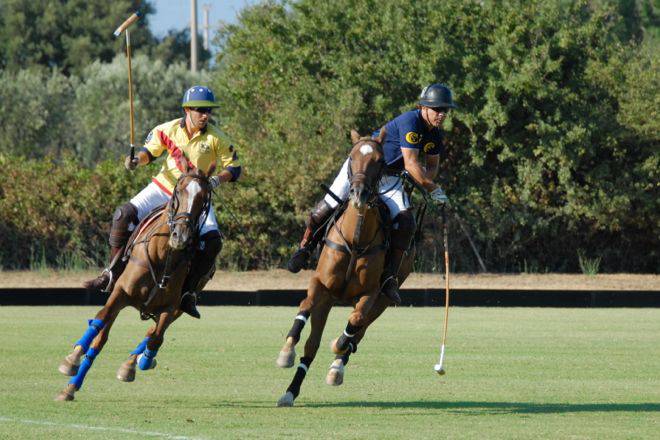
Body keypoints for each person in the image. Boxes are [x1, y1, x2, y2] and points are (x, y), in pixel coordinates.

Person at [286, 83, 456, 305]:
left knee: (406, 222)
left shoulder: (434, 134)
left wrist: (429, 184)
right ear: (423, 107)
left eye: (446, 110)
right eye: (437, 109)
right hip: (363, 168)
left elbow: (431, 166)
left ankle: (389, 278)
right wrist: (433, 188)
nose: (441, 114)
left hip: (391, 178)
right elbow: (412, 164)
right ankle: (305, 248)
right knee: (327, 205)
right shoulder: (411, 122)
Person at [84, 85, 241, 318]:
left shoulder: (217, 138)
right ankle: (112, 272)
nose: (205, 115)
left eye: (208, 110)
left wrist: (216, 181)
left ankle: (187, 294)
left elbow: (234, 168)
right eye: (200, 110)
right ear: (187, 110)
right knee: (123, 214)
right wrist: (137, 160)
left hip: (194, 198)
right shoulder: (166, 130)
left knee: (212, 242)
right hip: (163, 188)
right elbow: (150, 152)